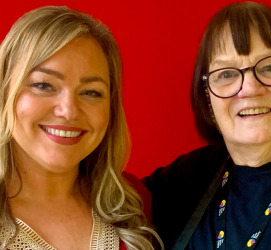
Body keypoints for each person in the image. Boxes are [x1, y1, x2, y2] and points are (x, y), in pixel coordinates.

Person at [143, 2, 271, 249]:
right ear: (207, 96)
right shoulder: (182, 182)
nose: (249, 89)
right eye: (226, 74)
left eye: (269, 67)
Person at [0, 6, 162, 250]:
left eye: (91, 92)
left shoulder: (133, 204)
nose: (68, 110)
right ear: (4, 90)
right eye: (44, 85)